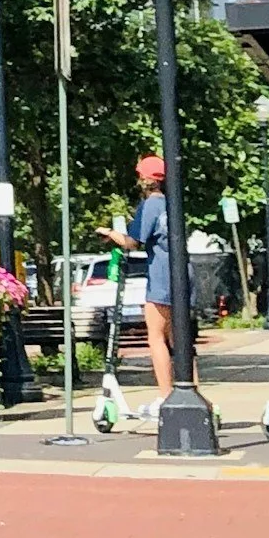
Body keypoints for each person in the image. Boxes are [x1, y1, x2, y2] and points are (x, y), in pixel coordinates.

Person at [99, 154, 196, 387]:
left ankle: (165, 395)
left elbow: (133, 241)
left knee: (156, 337)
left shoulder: (151, 203)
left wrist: (109, 233)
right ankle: (194, 393)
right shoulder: (173, 202)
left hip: (162, 274)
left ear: (144, 178)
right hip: (184, 271)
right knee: (180, 340)